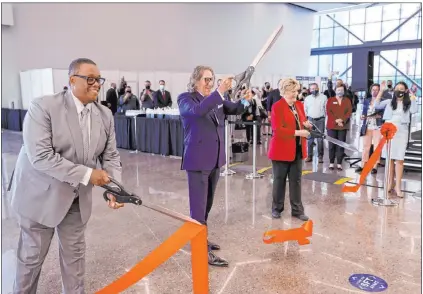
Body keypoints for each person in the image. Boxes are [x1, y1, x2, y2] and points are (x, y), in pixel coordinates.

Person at [9, 58, 123, 293]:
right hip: (40, 199)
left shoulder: (104, 115)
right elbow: (40, 156)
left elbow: (110, 156)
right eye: (90, 79)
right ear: (72, 80)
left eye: (98, 80)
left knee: (75, 264)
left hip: (76, 201)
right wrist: (89, 175)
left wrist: (115, 189)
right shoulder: (43, 107)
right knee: (30, 264)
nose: (97, 84)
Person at [178, 65, 251, 267]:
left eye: (212, 79)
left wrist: (245, 99)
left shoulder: (218, 100)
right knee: (198, 209)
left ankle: (202, 238)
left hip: (215, 161)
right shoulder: (186, 99)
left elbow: (234, 109)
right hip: (198, 162)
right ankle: (199, 249)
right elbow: (198, 112)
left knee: (207, 205)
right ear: (196, 80)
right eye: (206, 79)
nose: (209, 83)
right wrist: (219, 92)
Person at [268, 78, 310, 221]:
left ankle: (297, 210)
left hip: (297, 149)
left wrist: (306, 124)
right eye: (292, 91)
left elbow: (302, 120)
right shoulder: (277, 107)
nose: (295, 94)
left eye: (296, 91)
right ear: (284, 92)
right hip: (281, 151)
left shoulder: (298, 105)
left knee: (296, 181)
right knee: (279, 181)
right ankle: (276, 209)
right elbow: (278, 130)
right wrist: (299, 132)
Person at [375, 81, 418, 197]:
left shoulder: (408, 102)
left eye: (402, 89)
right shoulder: (389, 102)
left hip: (401, 132)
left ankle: (398, 187)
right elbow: (376, 105)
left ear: (405, 91)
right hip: (389, 131)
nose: (399, 91)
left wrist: (413, 95)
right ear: (394, 90)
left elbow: (414, 110)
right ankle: (390, 183)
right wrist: (381, 91)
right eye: (397, 88)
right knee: (389, 159)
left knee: (399, 160)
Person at [356, 83, 389, 174]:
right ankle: (363, 164)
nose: (375, 91)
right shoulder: (367, 101)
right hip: (367, 126)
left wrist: (373, 116)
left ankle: (375, 165)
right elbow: (364, 112)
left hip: (377, 127)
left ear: (380, 91)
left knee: (376, 147)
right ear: (370, 91)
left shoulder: (383, 102)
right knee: (366, 147)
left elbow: (383, 115)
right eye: (373, 90)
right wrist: (363, 116)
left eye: (377, 90)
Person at [326, 84, 352, 170]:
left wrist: (342, 120)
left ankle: (339, 163)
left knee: (341, 145)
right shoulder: (330, 100)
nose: (340, 91)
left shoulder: (347, 100)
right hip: (331, 125)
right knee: (331, 145)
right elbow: (329, 112)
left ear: (344, 91)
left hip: (342, 126)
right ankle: (331, 162)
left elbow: (349, 112)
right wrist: (336, 121)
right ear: (335, 90)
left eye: (341, 90)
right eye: (338, 90)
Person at [304, 83, 327, 163]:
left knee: (320, 139)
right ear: (310, 90)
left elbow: (326, 109)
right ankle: (309, 156)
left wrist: (325, 119)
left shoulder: (324, 97)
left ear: (318, 88)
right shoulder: (307, 99)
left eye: (315, 88)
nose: (314, 90)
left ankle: (320, 157)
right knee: (310, 139)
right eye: (312, 89)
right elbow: (305, 110)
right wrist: (306, 120)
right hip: (310, 120)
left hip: (320, 120)